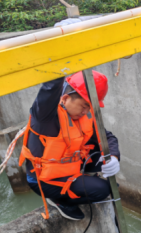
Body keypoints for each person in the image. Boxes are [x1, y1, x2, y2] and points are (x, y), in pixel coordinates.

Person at [19, 70, 121, 222]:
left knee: (108, 173)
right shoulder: (45, 118)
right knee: (103, 190)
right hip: (44, 180)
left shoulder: (82, 118)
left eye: (90, 107)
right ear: (65, 98)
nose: (86, 111)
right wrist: (62, 62)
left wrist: (113, 157)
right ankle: (60, 200)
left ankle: (83, 179)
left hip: (71, 168)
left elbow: (108, 137)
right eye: (84, 106)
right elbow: (50, 88)